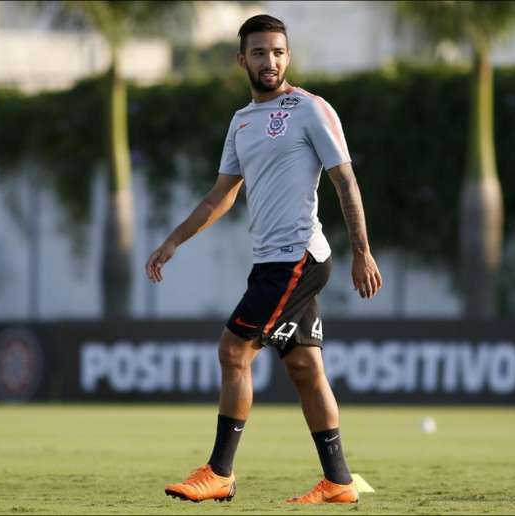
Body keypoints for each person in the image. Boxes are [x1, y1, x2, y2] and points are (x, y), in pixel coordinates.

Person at [144, 14, 383, 505]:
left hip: (297, 258)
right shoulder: (241, 121)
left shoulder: (310, 109)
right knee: (304, 369)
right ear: (242, 60)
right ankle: (338, 482)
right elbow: (221, 196)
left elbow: (345, 180)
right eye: (259, 53)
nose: (269, 61)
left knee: (233, 351)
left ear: (287, 56)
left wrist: (362, 251)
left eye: (277, 51)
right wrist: (173, 241)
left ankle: (219, 472)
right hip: (272, 263)